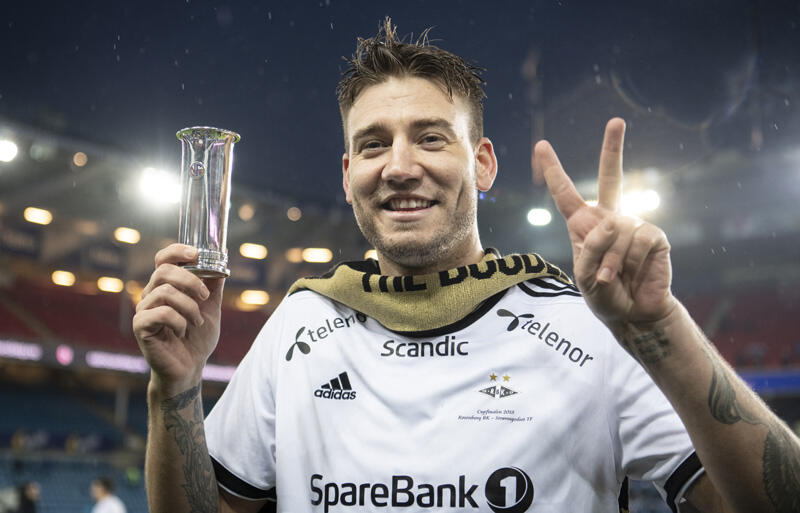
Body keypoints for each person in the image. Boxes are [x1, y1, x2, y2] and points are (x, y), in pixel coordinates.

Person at [133, 18, 800, 513]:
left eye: (431, 138)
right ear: (347, 174)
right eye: (373, 146)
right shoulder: (300, 323)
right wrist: (177, 388)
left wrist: (660, 328)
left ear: (482, 164)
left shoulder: (590, 326)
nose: (399, 167)